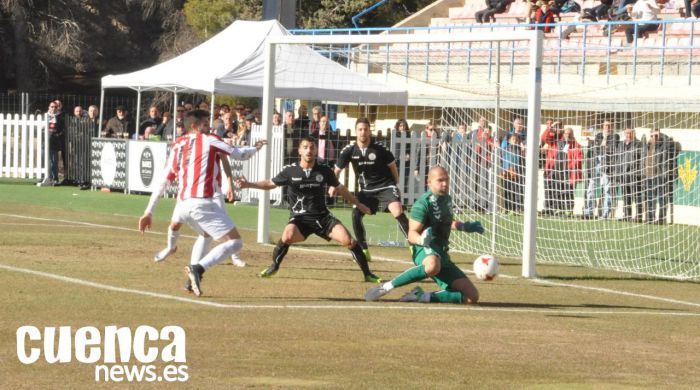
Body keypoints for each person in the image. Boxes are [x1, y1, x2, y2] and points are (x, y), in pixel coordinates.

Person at [138, 110, 266, 297]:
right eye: (206, 124)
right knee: (236, 242)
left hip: (183, 204)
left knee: (205, 235)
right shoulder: (209, 139)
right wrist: (256, 148)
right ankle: (198, 268)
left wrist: (149, 211)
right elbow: (238, 154)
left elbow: (163, 181)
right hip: (202, 203)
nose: (209, 128)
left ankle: (189, 281)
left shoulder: (177, 145)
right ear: (194, 126)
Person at [236, 137, 382, 283]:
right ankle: (274, 266)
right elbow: (270, 183)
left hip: (323, 218)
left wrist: (359, 204)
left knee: (349, 241)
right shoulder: (290, 171)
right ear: (299, 151)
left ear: (316, 150)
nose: (309, 150)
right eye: (305, 147)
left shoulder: (324, 170)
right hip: (300, 220)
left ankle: (367, 274)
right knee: (287, 236)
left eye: (312, 147)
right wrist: (248, 184)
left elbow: (340, 188)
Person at [364, 166, 484, 304]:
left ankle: (421, 296)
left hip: (442, 252)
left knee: (472, 296)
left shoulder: (447, 199)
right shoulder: (422, 204)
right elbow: (411, 234)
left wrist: (464, 226)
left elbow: (446, 221)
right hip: (424, 249)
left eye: (446, 180)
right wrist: (421, 239)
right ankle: (385, 288)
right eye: (440, 180)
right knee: (432, 265)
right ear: (429, 182)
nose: (444, 183)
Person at [332, 118, 410, 262]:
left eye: (366, 129)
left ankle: (413, 244)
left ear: (370, 131)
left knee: (397, 210)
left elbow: (393, 167)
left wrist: (395, 185)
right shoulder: (349, 150)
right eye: (360, 129)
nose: (363, 132)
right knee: (356, 213)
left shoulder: (380, 148)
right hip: (367, 191)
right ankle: (364, 250)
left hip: (385, 186)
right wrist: (333, 186)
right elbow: (337, 170)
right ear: (356, 132)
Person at [584, 120, 619, 219]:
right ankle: (589, 212)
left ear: (611, 127)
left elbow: (610, 148)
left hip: (607, 164)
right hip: (596, 163)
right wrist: (593, 142)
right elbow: (596, 148)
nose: (607, 127)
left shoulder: (615, 136)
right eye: (605, 125)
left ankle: (605, 214)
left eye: (609, 126)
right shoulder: (598, 135)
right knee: (591, 188)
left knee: (607, 189)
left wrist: (604, 141)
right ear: (603, 126)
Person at [619, 128, 644, 222]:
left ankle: (639, 216)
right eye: (626, 133)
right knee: (626, 196)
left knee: (637, 196)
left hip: (635, 174)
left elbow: (642, 159)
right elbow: (618, 158)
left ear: (633, 133)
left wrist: (639, 172)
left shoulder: (639, 144)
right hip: (624, 174)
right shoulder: (621, 144)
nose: (628, 135)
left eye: (629, 133)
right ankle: (627, 215)